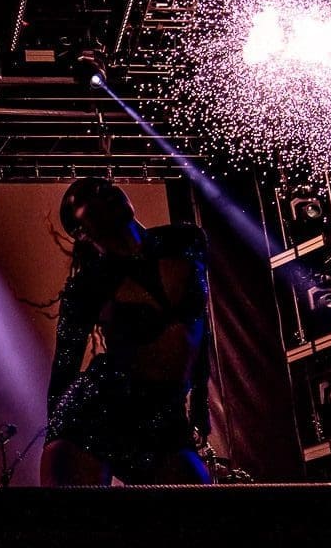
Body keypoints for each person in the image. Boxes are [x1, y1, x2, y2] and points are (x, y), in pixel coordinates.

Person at [41, 178, 212, 485]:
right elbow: (64, 368)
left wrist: (200, 404)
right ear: (80, 232)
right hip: (100, 411)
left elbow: (200, 329)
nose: (103, 191)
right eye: (89, 196)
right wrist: (55, 434)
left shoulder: (187, 240)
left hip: (163, 412)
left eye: (105, 186)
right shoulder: (87, 287)